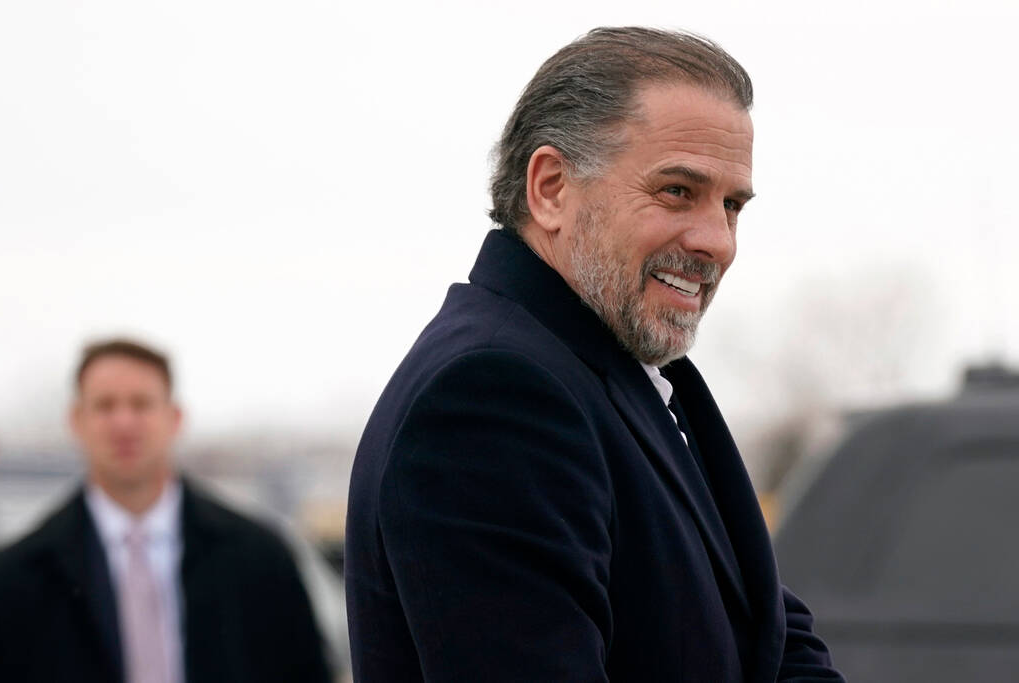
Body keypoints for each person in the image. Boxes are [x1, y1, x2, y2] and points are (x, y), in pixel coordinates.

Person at [345, 27, 844, 682]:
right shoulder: (494, 397)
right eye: (676, 191)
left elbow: (771, 644)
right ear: (551, 187)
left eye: (731, 205)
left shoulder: (614, 378)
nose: (716, 240)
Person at [0, 339, 331, 683]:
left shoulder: (261, 559)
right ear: (77, 421)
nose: (124, 422)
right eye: (105, 405)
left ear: (174, 417)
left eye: (141, 404)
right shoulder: (15, 578)